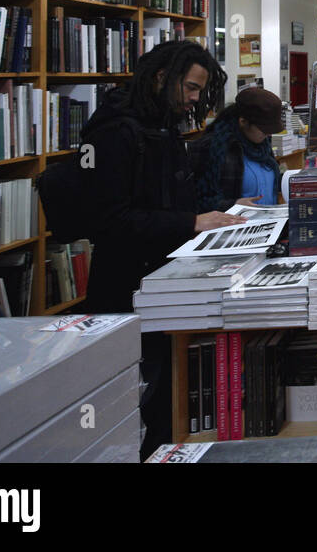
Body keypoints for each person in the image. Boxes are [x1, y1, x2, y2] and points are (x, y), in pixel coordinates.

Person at [73, 40, 241, 455]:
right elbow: (111, 221)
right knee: (137, 402)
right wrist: (191, 222)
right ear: (162, 79)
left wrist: (220, 211)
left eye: (201, 91)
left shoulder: (161, 125)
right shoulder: (116, 131)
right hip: (126, 290)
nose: (195, 99)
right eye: (191, 88)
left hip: (162, 286)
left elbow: (169, 198)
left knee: (167, 397)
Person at [189, 87, 284, 213]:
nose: (268, 135)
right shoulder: (212, 148)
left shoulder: (262, 144)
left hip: (268, 223)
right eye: (264, 129)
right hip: (234, 226)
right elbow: (198, 201)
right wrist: (233, 205)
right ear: (243, 122)